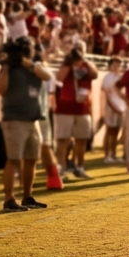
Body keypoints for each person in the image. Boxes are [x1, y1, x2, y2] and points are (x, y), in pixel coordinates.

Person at [0, 36, 53, 211]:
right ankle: (9, 199)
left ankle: (27, 196)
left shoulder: (33, 67)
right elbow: (1, 89)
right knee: (14, 160)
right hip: (14, 120)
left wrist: (29, 64)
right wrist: (6, 67)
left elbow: (48, 76)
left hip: (32, 119)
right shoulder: (10, 68)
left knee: (31, 159)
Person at [54, 48, 97, 179]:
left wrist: (87, 63)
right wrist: (69, 66)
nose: (79, 64)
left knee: (82, 138)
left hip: (83, 108)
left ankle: (79, 166)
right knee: (63, 139)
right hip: (65, 107)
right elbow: (59, 78)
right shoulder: (66, 66)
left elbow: (95, 75)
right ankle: (61, 167)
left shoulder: (87, 66)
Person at [100, 57, 126, 164]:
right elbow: (105, 94)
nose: (116, 67)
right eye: (114, 65)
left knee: (116, 131)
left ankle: (113, 154)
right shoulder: (107, 78)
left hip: (121, 107)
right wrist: (110, 107)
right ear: (110, 66)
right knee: (109, 131)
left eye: (118, 65)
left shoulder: (121, 77)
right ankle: (107, 155)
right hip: (111, 107)